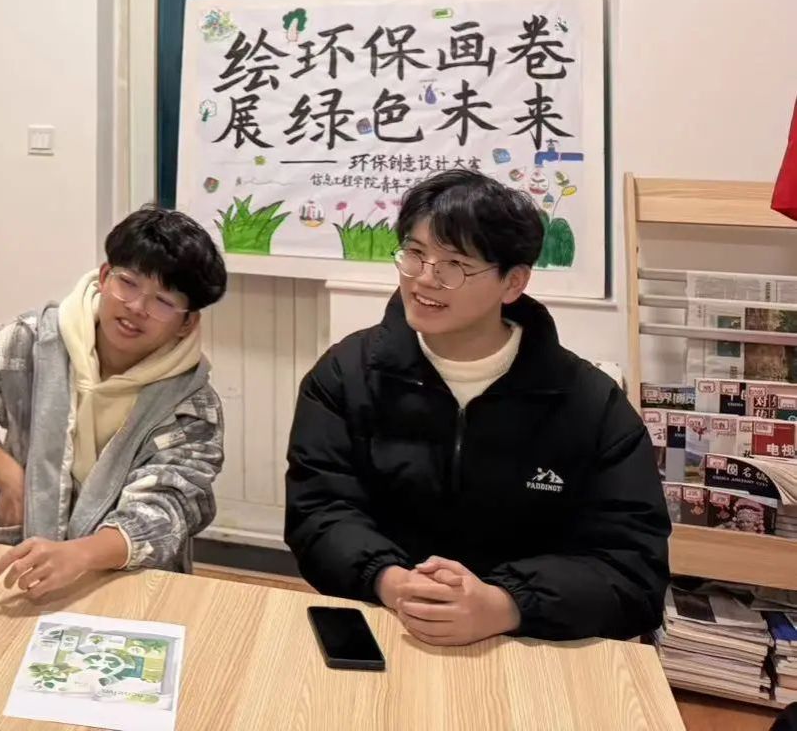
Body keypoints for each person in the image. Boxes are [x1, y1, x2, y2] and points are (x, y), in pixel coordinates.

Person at [284, 169, 669, 645]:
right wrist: (391, 581)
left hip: (531, 644)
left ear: (513, 282)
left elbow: (632, 568)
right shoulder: (347, 375)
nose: (424, 279)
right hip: (387, 626)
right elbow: (317, 513)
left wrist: (506, 604)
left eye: (455, 264)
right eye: (415, 254)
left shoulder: (590, 404)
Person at [0, 206, 226, 599]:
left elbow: (167, 509)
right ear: (104, 277)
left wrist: (80, 555)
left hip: (127, 580)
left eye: (163, 301)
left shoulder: (191, 406)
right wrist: (7, 473)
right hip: (18, 562)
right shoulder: (30, 344)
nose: (137, 307)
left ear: (187, 322)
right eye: (128, 283)